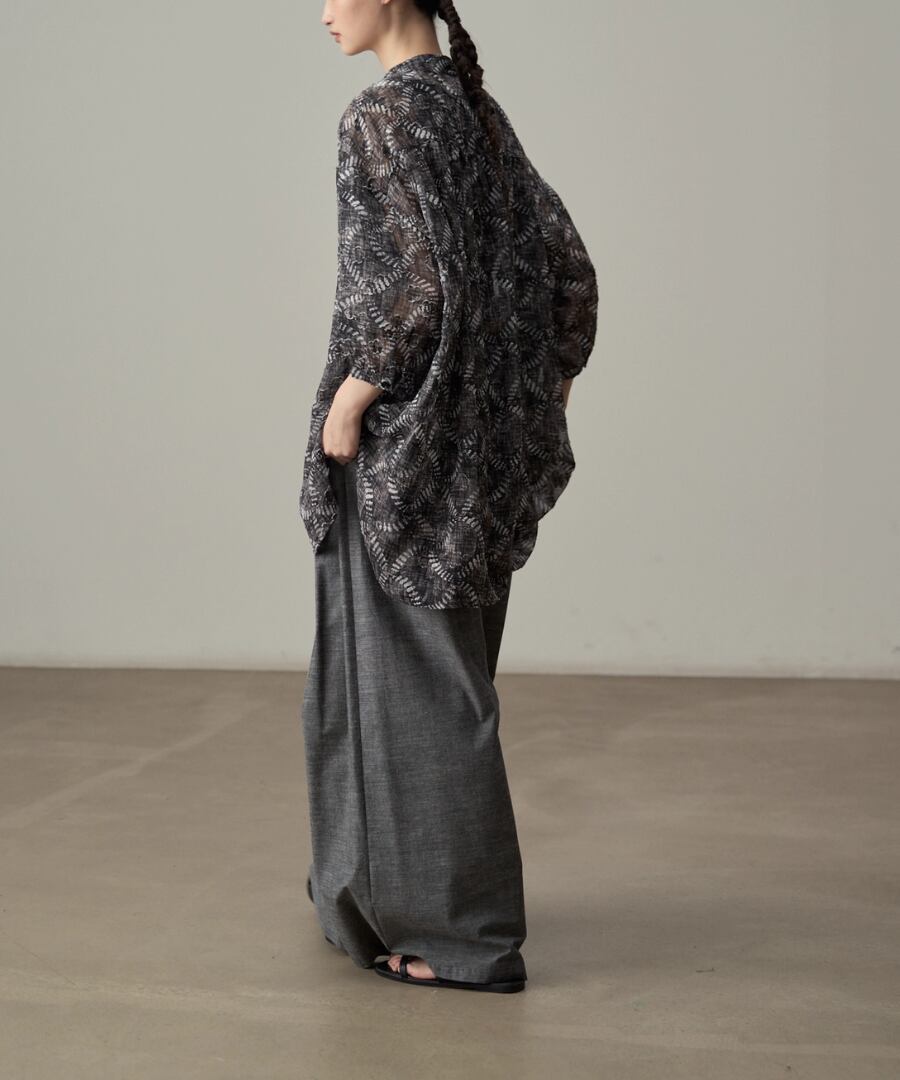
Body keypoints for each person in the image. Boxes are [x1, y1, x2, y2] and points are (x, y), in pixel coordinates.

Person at [299, 0, 598, 993]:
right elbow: (570, 274)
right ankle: (362, 897)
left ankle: (464, 939)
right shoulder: (475, 109)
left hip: (406, 453)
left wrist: (352, 401)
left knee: (409, 695)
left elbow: (417, 289)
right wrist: (534, 397)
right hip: (481, 460)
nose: (323, 11)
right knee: (429, 682)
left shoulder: (383, 113)